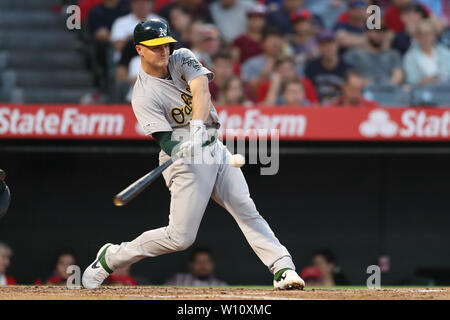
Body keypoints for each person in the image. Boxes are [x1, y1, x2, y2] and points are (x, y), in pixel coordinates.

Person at [82, 18, 305, 291]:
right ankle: (111, 257)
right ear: (140, 50)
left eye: (166, 45)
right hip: (182, 157)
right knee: (179, 238)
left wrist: (197, 126)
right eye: (156, 47)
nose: (164, 51)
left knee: (245, 207)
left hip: (211, 142)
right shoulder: (142, 94)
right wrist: (181, 145)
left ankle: (282, 267)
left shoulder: (182, 57)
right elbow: (163, 139)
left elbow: (201, 88)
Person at [304, 30, 351, 103]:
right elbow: (309, 93)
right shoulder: (311, 68)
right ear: (319, 47)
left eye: (330, 43)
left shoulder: (348, 68)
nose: (327, 47)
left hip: (341, 108)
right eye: (323, 44)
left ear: (337, 44)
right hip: (318, 109)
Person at [403, 19, 450, 86]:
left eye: (429, 34)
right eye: (422, 34)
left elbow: (447, 74)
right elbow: (412, 80)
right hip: (421, 92)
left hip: (444, 91)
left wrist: (433, 80)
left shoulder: (445, 52)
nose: (426, 37)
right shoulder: (410, 56)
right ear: (417, 37)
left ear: (434, 36)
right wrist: (429, 80)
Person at [241, 28, 286, 95]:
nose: (276, 43)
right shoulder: (251, 63)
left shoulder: (288, 62)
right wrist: (264, 74)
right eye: (272, 39)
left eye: (279, 39)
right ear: (262, 43)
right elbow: (248, 90)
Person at [288, 8, 320, 73]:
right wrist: (307, 56)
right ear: (293, 25)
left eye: (304, 22)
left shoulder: (318, 39)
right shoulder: (288, 41)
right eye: (297, 23)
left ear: (310, 23)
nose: (301, 26)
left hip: (316, 73)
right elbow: (289, 59)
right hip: (296, 74)